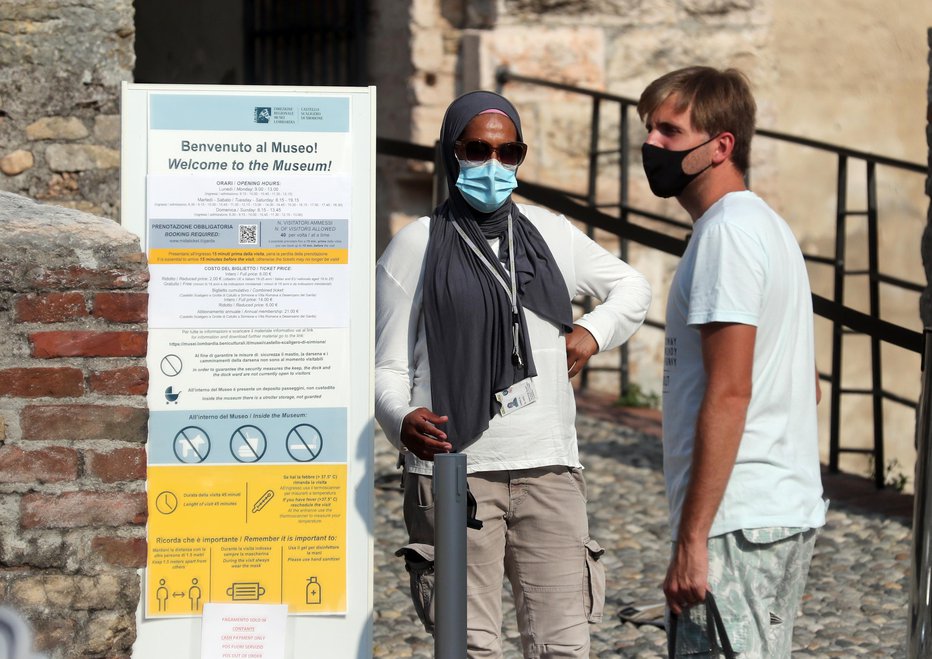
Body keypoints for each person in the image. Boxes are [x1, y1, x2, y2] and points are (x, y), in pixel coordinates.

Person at [375, 90, 651, 658]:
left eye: (509, 152)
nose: (494, 166)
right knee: (471, 648)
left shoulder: (550, 233)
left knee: (563, 647)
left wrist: (591, 332)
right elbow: (387, 367)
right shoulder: (415, 245)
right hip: (455, 474)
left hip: (549, 467)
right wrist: (400, 418)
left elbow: (632, 287)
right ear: (452, 153)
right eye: (477, 150)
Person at [637, 66, 827, 657]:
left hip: (737, 521)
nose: (651, 145)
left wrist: (694, 538)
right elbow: (809, 386)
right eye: (648, 129)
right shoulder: (765, 227)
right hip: (770, 510)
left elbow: (729, 390)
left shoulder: (728, 235)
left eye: (670, 131)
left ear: (721, 146)